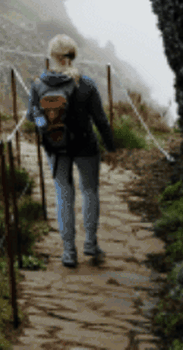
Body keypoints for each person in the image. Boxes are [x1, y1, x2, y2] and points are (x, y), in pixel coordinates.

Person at [28, 34, 115, 267]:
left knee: (63, 194)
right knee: (90, 191)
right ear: (72, 56)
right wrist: (111, 144)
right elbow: (100, 119)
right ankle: (91, 244)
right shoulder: (86, 84)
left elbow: (32, 115)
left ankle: (68, 252)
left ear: (52, 56)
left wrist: (45, 130)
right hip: (86, 145)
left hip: (56, 147)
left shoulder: (39, 84)